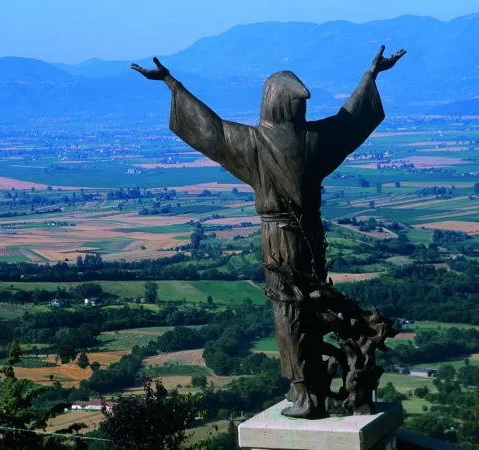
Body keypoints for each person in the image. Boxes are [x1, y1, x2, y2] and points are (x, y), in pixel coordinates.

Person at [132, 45, 406, 418]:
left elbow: (207, 129)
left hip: (277, 239)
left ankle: (306, 394)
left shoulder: (252, 143)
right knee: (311, 309)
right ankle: (315, 389)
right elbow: (351, 120)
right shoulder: (317, 140)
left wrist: (170, 83)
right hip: (313, 235)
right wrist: (370, 76)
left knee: (288, 312)